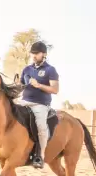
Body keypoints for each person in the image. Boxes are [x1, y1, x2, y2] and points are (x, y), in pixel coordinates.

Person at [18, 41, 59, 169]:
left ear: (44, 54)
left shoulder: (50, 70)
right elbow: (20, 86)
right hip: (24, 101)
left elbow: (55, 90)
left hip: (40, 104)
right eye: (32, 53)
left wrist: (39, 85)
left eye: (37, 53)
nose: (34, 56)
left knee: (41, 126)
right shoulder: (26, 69)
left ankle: (39, 156)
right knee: (7, 111)